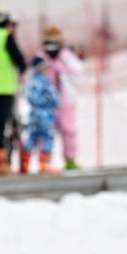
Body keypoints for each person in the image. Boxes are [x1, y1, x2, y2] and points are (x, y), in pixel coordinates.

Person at [0, 4, 28, 175]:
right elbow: (19, 59)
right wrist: (23, 69)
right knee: (1, 126)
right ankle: (0, 163)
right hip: (5, 88)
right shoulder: (5, 36)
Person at [40, 26, 84, 170]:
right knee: (45, 131)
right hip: (46, 101)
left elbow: (77, 74)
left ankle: (70, 160)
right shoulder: (41, 56)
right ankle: (44, 163)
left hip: (63, 99)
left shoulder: (66, 56)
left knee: (68, 129)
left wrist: (61, 66)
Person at [21, 56, 60, 174]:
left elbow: (28, 97)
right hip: (46, 114)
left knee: (32, 137)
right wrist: (53, 103)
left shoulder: (31, 81)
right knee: (47, 137)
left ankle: (24, 164)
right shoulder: (45, 81)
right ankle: (44, 165)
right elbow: (54, 98)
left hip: (33, 114)